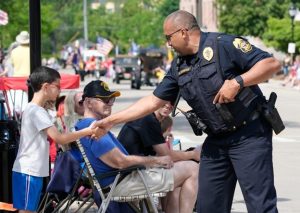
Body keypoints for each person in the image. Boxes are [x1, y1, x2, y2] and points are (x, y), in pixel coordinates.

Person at [92, 10, 281, 213]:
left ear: (183, 32)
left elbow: (271, 64)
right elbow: (152, 101)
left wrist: (238, 82)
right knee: (208, 207)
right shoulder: (179, 66)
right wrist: (112, 120)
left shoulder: (222, 45)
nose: (168, 44)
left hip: (249, 134)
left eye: (168, 37)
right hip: (217, 140)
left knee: (260, 205)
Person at [75, 80, 198, 213]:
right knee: (193, 168)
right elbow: (120, 161)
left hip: (120, 179)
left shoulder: (87, 125)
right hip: (121, 182)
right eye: (105, 100)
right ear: (88, 102)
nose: (110, 104)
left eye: (111, 100)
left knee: (178, 177)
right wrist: (156, 161)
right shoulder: (93, 129)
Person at [12, 66, 95, 213]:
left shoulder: (35, 109)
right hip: (28, 171)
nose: (59, 91)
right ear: (45, 87)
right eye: (57, 87)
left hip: (31, 170)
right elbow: (60, 138)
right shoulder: (36, 111)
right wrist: (87, 131)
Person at [118, 102, 199, 212]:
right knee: (193, 168)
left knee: (178, 175)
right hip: (129, 178)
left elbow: (162, 155)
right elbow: (166, 154)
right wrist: (193, 154)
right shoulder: (148, 119)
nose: (168, 105)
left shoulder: (144, 116)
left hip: (127, 175)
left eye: (172, 102)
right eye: (165, 100)